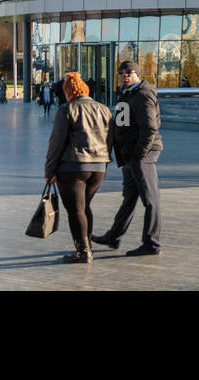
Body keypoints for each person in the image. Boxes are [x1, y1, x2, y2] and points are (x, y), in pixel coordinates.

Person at [93, 61, 163, 256]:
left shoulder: (142, 95)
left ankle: (152, 244)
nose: (124, 75)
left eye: (128, 72)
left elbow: (150, 128)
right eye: (121, 73)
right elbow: (121, 125)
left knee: (150, 200)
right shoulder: (126, 93)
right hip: (130, 155)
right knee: (129, 198)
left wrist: (140, 155)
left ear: (137, 73)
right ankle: (113, 236)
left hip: (142, 154)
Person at [45, 71, 113, 264]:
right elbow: (110, 139)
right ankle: (87, 246)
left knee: (76, 210)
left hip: (73, 167)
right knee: (84, 207)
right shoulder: (104, 109)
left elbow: (56, 144)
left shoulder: (67, 109)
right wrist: (104, 160)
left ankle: (82, 251)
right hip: (98, 167)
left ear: (68, 92)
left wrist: (49, 171)